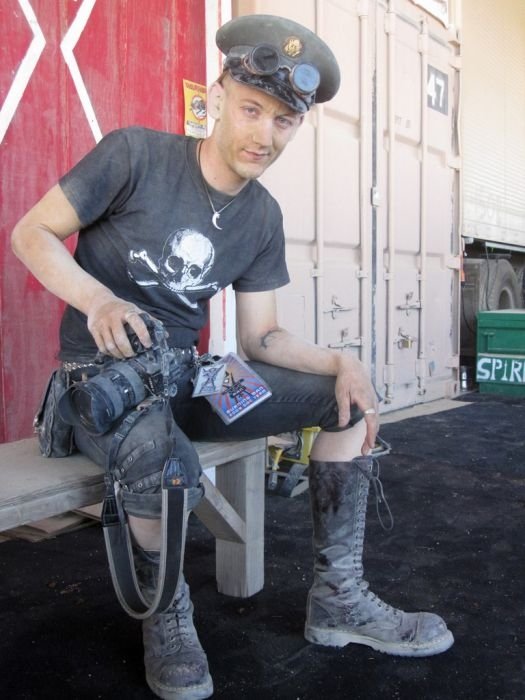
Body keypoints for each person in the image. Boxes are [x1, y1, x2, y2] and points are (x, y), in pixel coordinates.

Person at [11, 14, 453, 700]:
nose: (263, 134)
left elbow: (262, 339)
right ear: (217, 94)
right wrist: (98, 301)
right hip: (98, 382)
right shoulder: (135, 155)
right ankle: (167, 619)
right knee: (163, 460)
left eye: (282, 121)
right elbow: (31, 231)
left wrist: (341, 363)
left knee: (342, 403)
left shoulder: (261, 216)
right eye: (251, 109)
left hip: (185, 376)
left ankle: (337, 600)